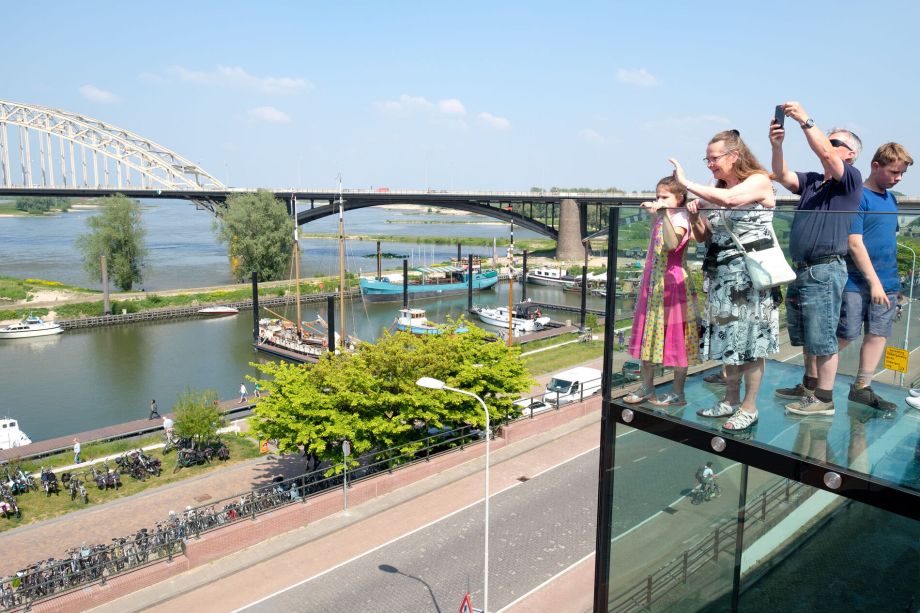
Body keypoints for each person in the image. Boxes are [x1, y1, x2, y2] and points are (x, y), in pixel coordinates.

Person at [672, 129, 780, 433]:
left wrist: (687, 184)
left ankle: (750, 406)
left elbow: (732, 201)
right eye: (706, 159)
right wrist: (695, 216)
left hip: (751, 279)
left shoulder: (758, 180)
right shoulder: (715, 188)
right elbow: (706, 236)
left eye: (714, 158)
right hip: (721, 278)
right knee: (728, 344)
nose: (709, 164)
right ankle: (730, 400)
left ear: (735, 155)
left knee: (750, 344)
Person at [771, 102, 863, 416]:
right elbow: (782, 175)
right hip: (804, 269)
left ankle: (823, 400)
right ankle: (809, 386)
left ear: (850, 154)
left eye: (837, 143)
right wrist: (777, 146)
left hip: (824, 269)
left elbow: (824, 153)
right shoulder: (813, 181)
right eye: (831, 141)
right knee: (810, 336)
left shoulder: (850, 179)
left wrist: (806, 121)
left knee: (822, 337)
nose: (831, 146)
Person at [837, 143, 913, 410]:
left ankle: (862, 387)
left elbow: (887, 240)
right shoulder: (858, 196)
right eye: (894, 172)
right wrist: (875, 281)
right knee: (845, 333)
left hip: (887, 280)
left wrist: (890, 280)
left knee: (878, 334)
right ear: (875, 166)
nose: (898, 178)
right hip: (857, 280)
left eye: (902, 173)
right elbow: (854, 242)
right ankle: (813, 382)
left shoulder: (891, 199)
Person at [623, 176, 700, 406]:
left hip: (673, 285)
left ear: (680, 198)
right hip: (654, 284)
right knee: (650, 336)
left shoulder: (682, 219)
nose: (659, 200)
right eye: (658, 196)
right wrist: (658, 215)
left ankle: (678, 392)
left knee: (678, 340)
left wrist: (663, 213)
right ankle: (647, 387)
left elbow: (670, 244)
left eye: (665, 197)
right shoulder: (662, 217)